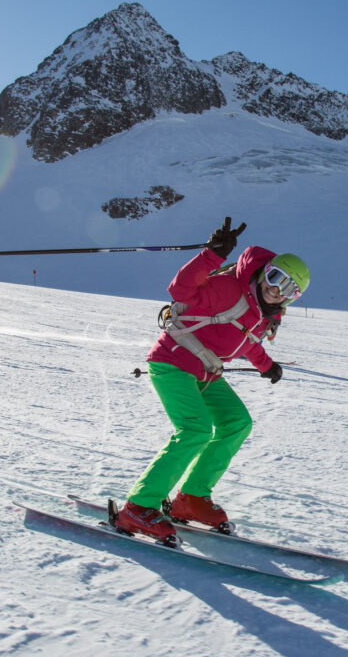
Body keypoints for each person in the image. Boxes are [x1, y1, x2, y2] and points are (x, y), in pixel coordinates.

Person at [114, 218, 310, 546]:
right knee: (195, 430)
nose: (277, 290)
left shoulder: (262, 315)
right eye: (276, 278)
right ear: (265, 272)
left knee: (237, 423)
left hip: (204, 372)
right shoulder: (231, 288)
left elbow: (246, 342)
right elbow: (181, 291)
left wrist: (267, 365)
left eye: (289, 290)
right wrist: (210, 256)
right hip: (173, 362)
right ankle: (139, 506)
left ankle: (191, 498)